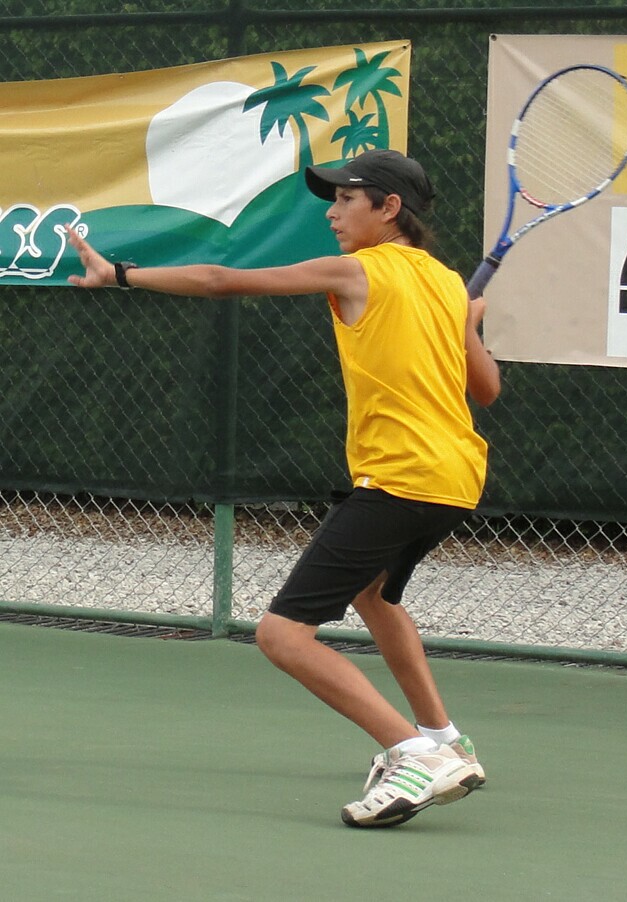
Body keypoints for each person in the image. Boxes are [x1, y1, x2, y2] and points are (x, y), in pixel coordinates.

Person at [66, 148, 501, 829]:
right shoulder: (446, 284)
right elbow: (488, 388)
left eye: (346, 200)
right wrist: (469, 328)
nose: (331, 213)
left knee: (281, 635)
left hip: (399, 476)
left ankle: (412, 752)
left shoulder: (358, 269)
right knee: (375, 595)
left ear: (389, 210)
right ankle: (445, 737)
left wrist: (120, 272)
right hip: (454, 479)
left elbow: (219, 281)